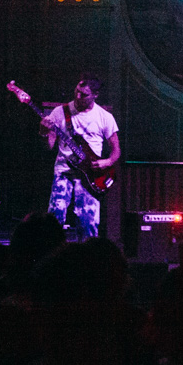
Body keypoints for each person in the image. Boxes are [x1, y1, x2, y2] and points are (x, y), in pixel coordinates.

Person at [39, 73, 120, 241]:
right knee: (55, 217)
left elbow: (116, 150)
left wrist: (107, 162)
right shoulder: (60, 112)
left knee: (88, 223)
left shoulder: (105, 117)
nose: (78, 96)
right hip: (64, 170)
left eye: (84, 94)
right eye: (77, 91)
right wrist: (43, 132)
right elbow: (49, 146)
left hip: (90, 175)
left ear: (95, 95)